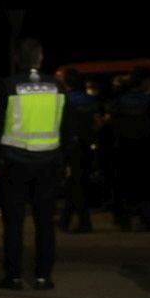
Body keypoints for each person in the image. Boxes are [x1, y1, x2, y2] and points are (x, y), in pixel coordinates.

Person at [0, 38, 66, 291]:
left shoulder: (8, 85)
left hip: (14, 162)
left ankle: (14, 276)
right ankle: (43, 276)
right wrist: (67, 159)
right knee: (44, 223)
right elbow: (67, 125)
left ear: (18, 59)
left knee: (14, 222)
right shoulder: (57, 85)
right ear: (41, 58)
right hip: (48, 162)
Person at [109, 70, 150, 231]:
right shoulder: (149, 101)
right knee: (145, 183)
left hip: (124, 148)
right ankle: (149, 218)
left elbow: (112, 122)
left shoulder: (118, 101)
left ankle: (127, 219)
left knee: (126, 183)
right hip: (145, 147)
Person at [57, 68, 98, 234]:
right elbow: (96, 122)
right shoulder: (88, 100)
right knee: (77, 182)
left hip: (71, 146)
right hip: (86, 145)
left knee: (75, 183)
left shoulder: (65, 100)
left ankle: (84, 221)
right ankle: (65, 220)